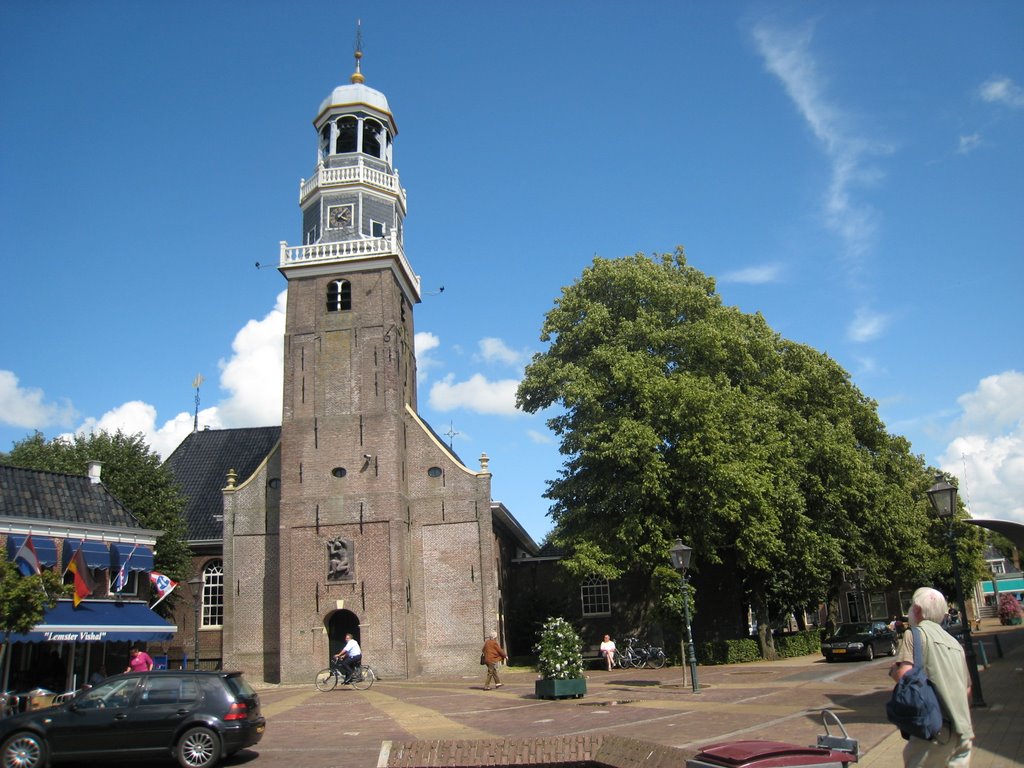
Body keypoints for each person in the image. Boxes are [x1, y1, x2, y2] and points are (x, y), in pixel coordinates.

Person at [888, 587, 974, 767]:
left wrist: (894, 672)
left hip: (935, 732)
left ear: (917, 609)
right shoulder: (955, 643)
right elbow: (967, 689)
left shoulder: (914, 634)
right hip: (964, 733)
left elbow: (905, 676)